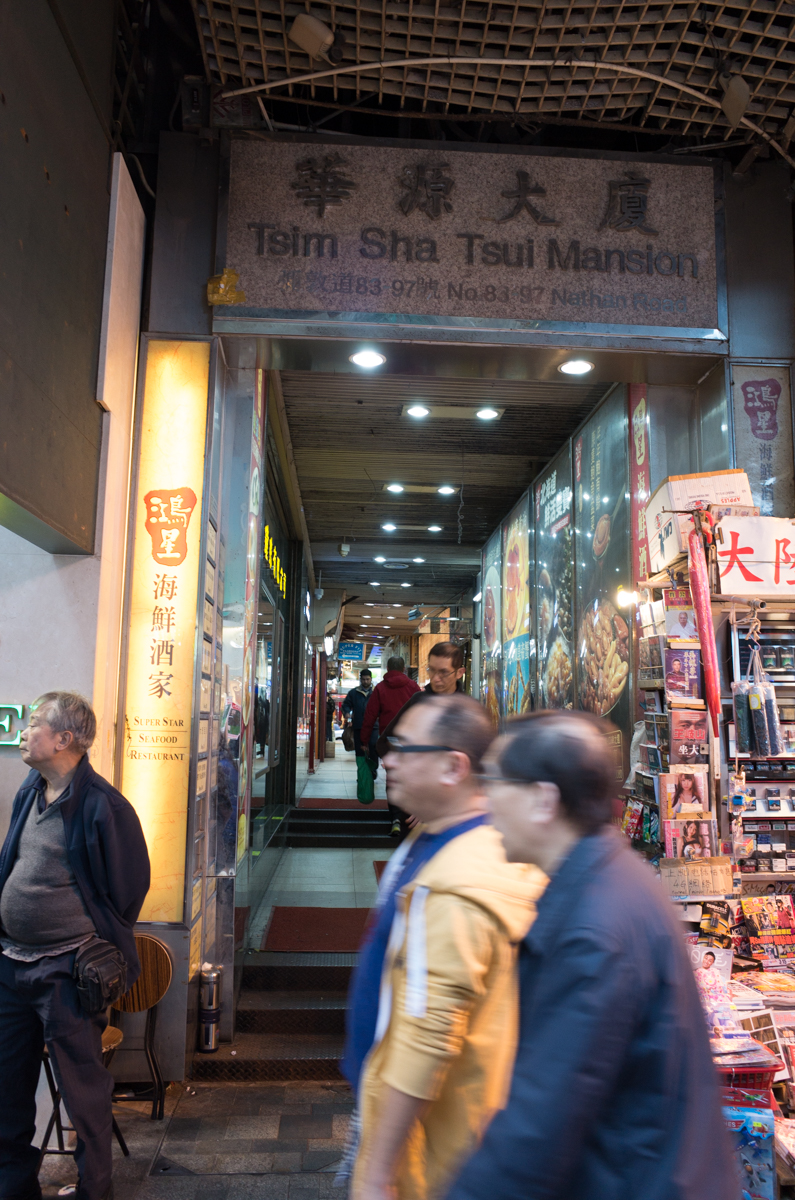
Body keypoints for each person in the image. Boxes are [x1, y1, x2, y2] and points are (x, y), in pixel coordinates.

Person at [446, 709, 738, 1200]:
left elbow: (536, 1129)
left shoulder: (592, 930)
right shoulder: (611, 879)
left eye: (495, 782)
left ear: (543, 800)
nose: (485, 799)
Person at [344, 694, 545, 1200]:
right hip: (410, 1124)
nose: (389, 759)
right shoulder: (436, 836)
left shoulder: (461, 882)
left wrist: (379, 1173)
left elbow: (428, 1037)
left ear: (454, 767)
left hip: (434, 1153)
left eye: (405, 748)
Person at [0, 692, 151, 1200]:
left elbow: (128, 890)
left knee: (83, 1093)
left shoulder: (104, 806)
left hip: (68, 971)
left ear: (64, 739)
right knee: (6, 1085)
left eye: (34, 724)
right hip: (12, 963)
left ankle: (94, 1191)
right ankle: (14, 1186)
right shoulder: (30, 791)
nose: (24, 732)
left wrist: (91, 940)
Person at [360, 658, 421, 835]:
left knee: (393, 778)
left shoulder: (380, 688)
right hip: (410, 740)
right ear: (404, 668)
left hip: (389, 741)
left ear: (387, 668)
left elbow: (370, 715)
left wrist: (364, 740)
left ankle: (395, 819)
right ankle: (409, 817)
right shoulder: (413, 687)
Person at [343, 669, 378, 771]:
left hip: (374, 726)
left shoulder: (377, 692)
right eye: (363, 679)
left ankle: (373, 771)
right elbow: (346, 704)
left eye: (367, 679)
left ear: (371, 679)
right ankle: (362, 773)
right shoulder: (354, 693)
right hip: (359, 726)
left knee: (373, 747)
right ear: (360, 679)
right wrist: (347, 712)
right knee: (359, 750)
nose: (365, 681)